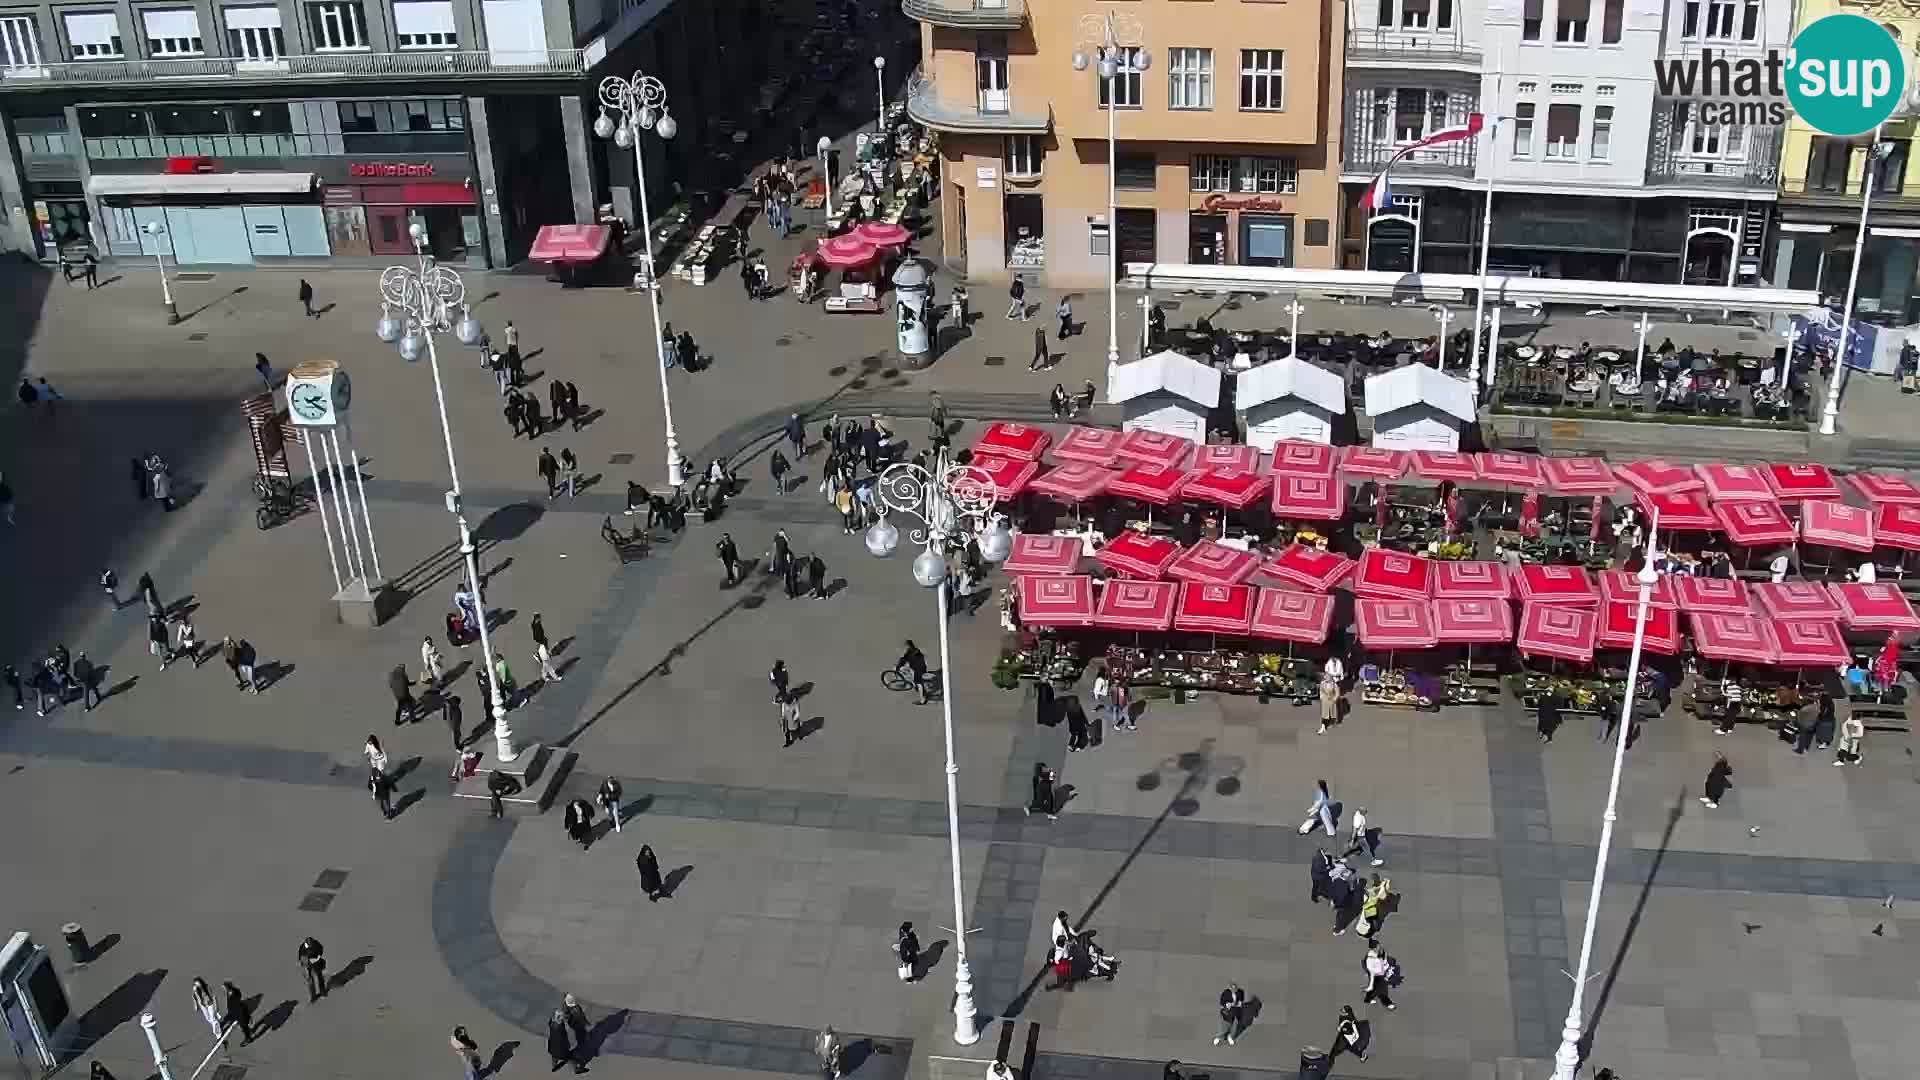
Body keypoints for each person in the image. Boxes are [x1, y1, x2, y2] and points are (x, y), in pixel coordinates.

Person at [561, 995, 590, 1069]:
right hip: (578, 1026)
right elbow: (577, 1017)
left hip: (578, 1026)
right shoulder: (570, 1008)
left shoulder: (573, 1007)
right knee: (582, 1040)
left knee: (582, 1039)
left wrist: (585, 1022)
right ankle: (579, 1062)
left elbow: (581, 1015)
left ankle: (577, 1059)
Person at [898, 639, 930, 704]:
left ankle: (922, 700)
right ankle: (917, 687)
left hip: (918, 669)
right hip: (921, 667)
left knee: (918, 682)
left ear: (908, 646)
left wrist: (898, 667)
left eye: (906, 646)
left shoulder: (909, 653)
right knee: (910, 671)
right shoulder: (916, 650)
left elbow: (902, 660)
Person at [297, 936, 327, 1001]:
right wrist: (303, 962)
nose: (308, 945)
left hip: (316, 961)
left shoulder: (316, 945)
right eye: (307, 944)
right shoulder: (303, 947)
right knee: (310, 979)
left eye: (310, 944)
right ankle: (313, 995)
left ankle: (322, 991)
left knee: (319, 975)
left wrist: (316, 958)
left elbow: (320, 951)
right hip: (308, 963)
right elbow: (301, 956)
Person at [1318, 670, 1341, 735]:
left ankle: (1332, 722)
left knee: (1332, 713)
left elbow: (1337, 693)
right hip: (1325, 701)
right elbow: (1321, 691)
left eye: (1327, 677)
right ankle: (1323, 727)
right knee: (1324, 714)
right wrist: (1322, 697)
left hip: (1332, 701)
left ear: (1330, 678)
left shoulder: (1334, 684)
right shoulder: (1322, 683)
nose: (1326, 678)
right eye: (1325, 677)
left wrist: (1334, 699)